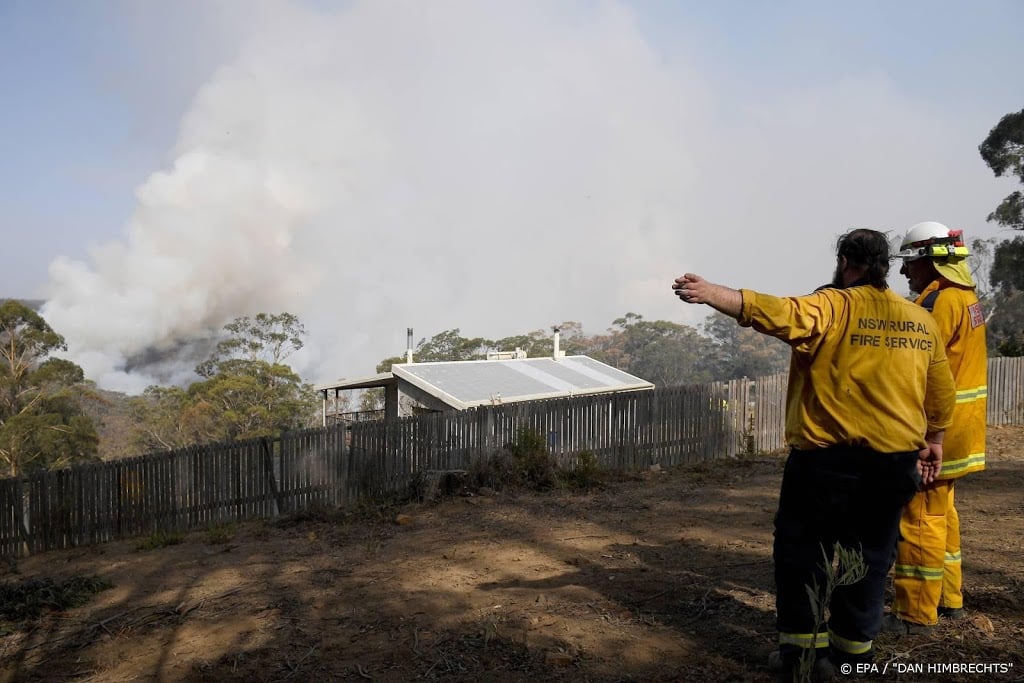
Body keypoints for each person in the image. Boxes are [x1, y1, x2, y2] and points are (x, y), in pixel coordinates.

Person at [672, 228, 955, 681]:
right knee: (870, 560)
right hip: (893, 464)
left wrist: (708, 292)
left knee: (803, 555)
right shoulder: (920, 320)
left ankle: (801, 658)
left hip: (826, 465)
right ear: (883, 265)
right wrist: (935, 440)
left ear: (847, 262)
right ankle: (853, 658)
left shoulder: (831, 306)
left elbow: (769, 310)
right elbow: (940, 392)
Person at [886, 222, 988, 634]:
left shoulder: (940, 303)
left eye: (910, 262)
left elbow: (924, 365)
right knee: (942, 513)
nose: (905, 272)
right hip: (961, 428)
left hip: (937, 429)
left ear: (930, 262)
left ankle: (915, 613)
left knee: (921, 517)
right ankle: (950, 599)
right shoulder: (967, 297)